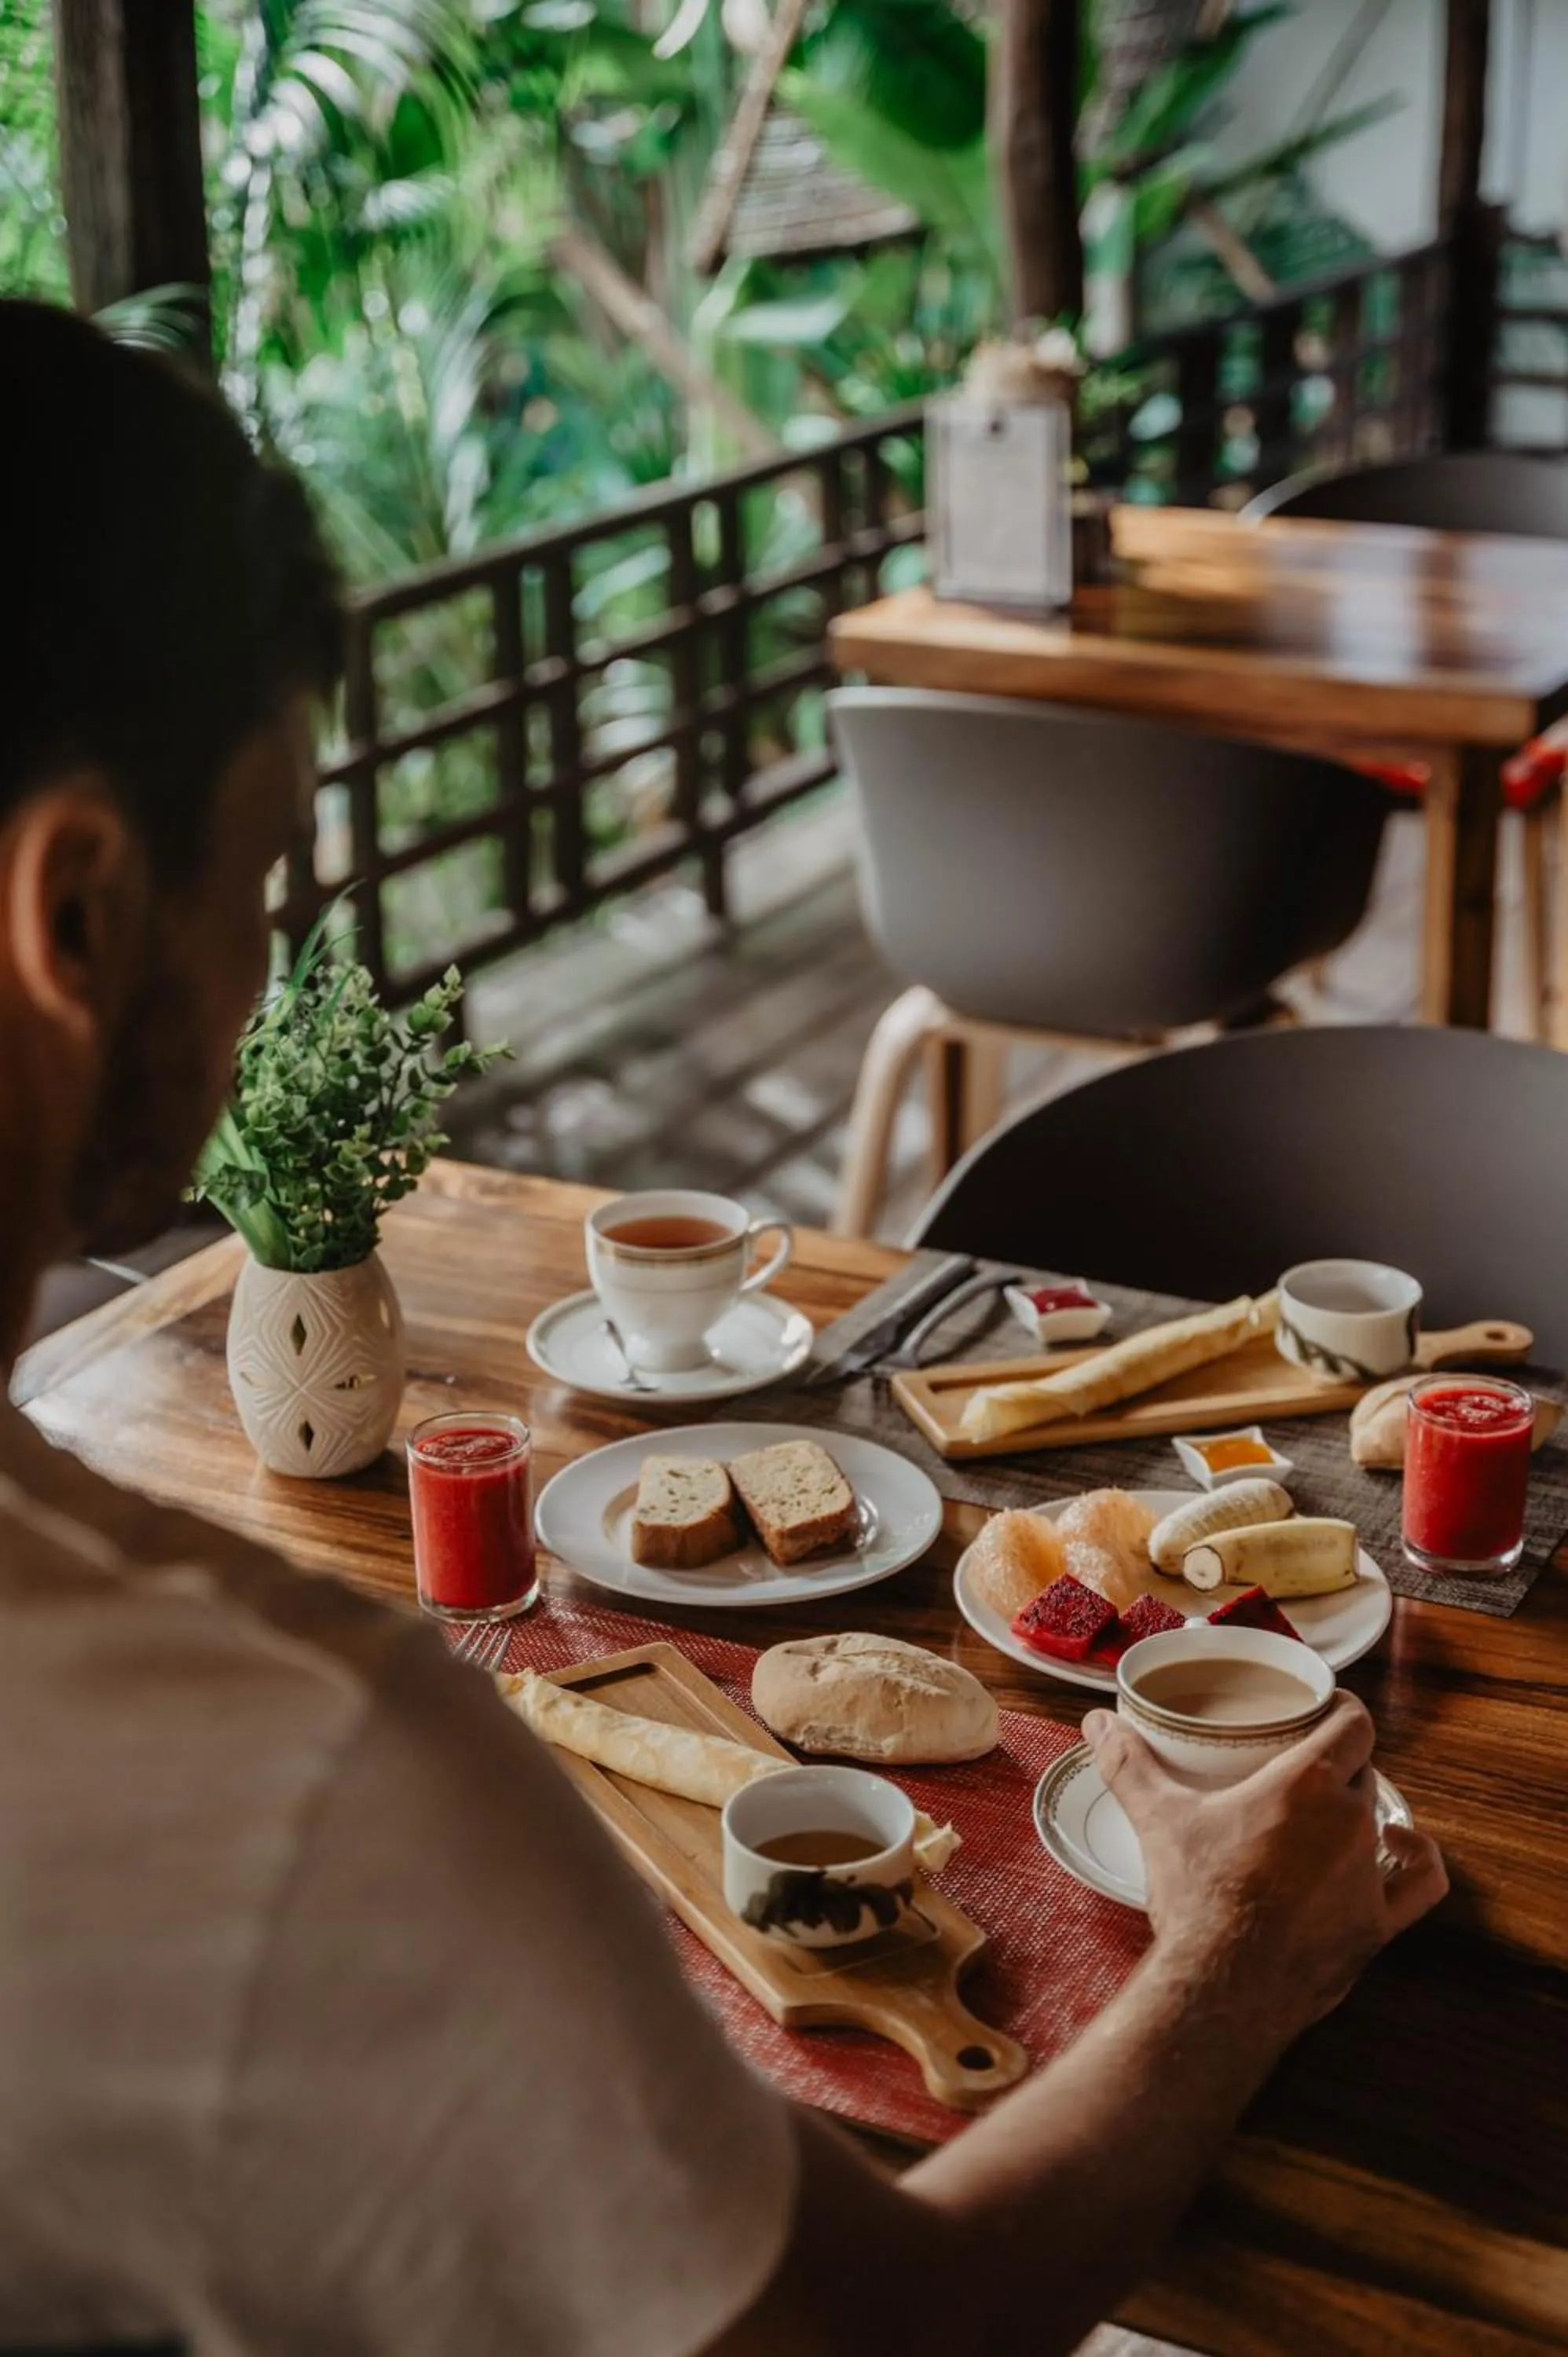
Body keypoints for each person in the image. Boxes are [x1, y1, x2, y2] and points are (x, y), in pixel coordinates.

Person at [0, 298, 1446, 2357]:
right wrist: (1238, 1961)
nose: (260, 979)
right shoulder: (294, 1777)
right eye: (257, 890)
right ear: (69, 921)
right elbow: (882, 2335)